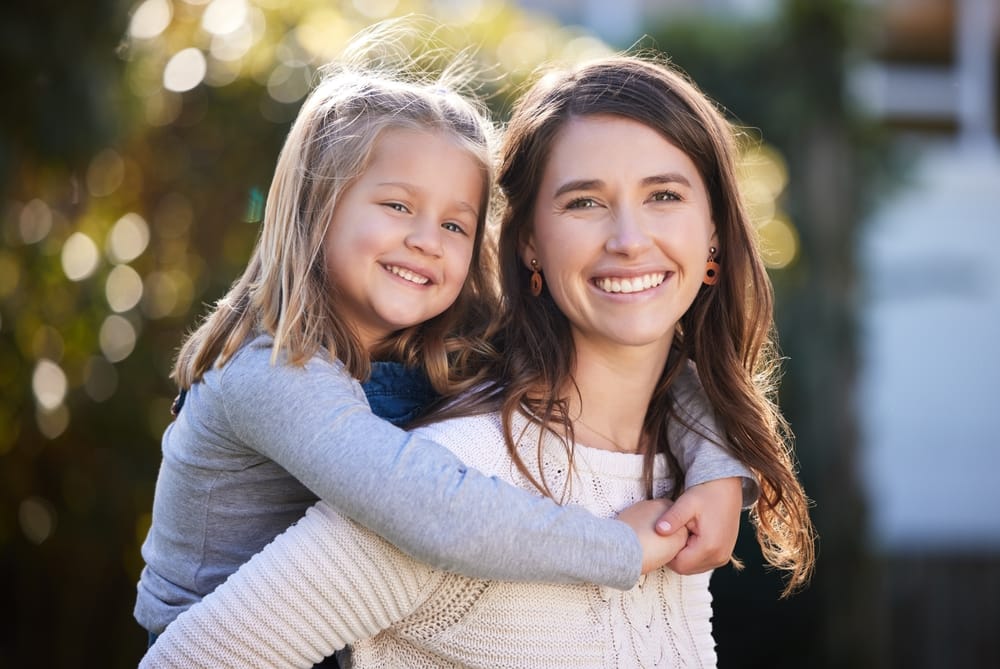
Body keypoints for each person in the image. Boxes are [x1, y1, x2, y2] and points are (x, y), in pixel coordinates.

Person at [138, 52, 815, 668]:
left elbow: (671, 369)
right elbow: (427, 505)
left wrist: (720, 469)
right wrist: (619, 550)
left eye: (455, 224)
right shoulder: (273, 373)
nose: (426, 242)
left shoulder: (448, 343)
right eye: (397, 205)